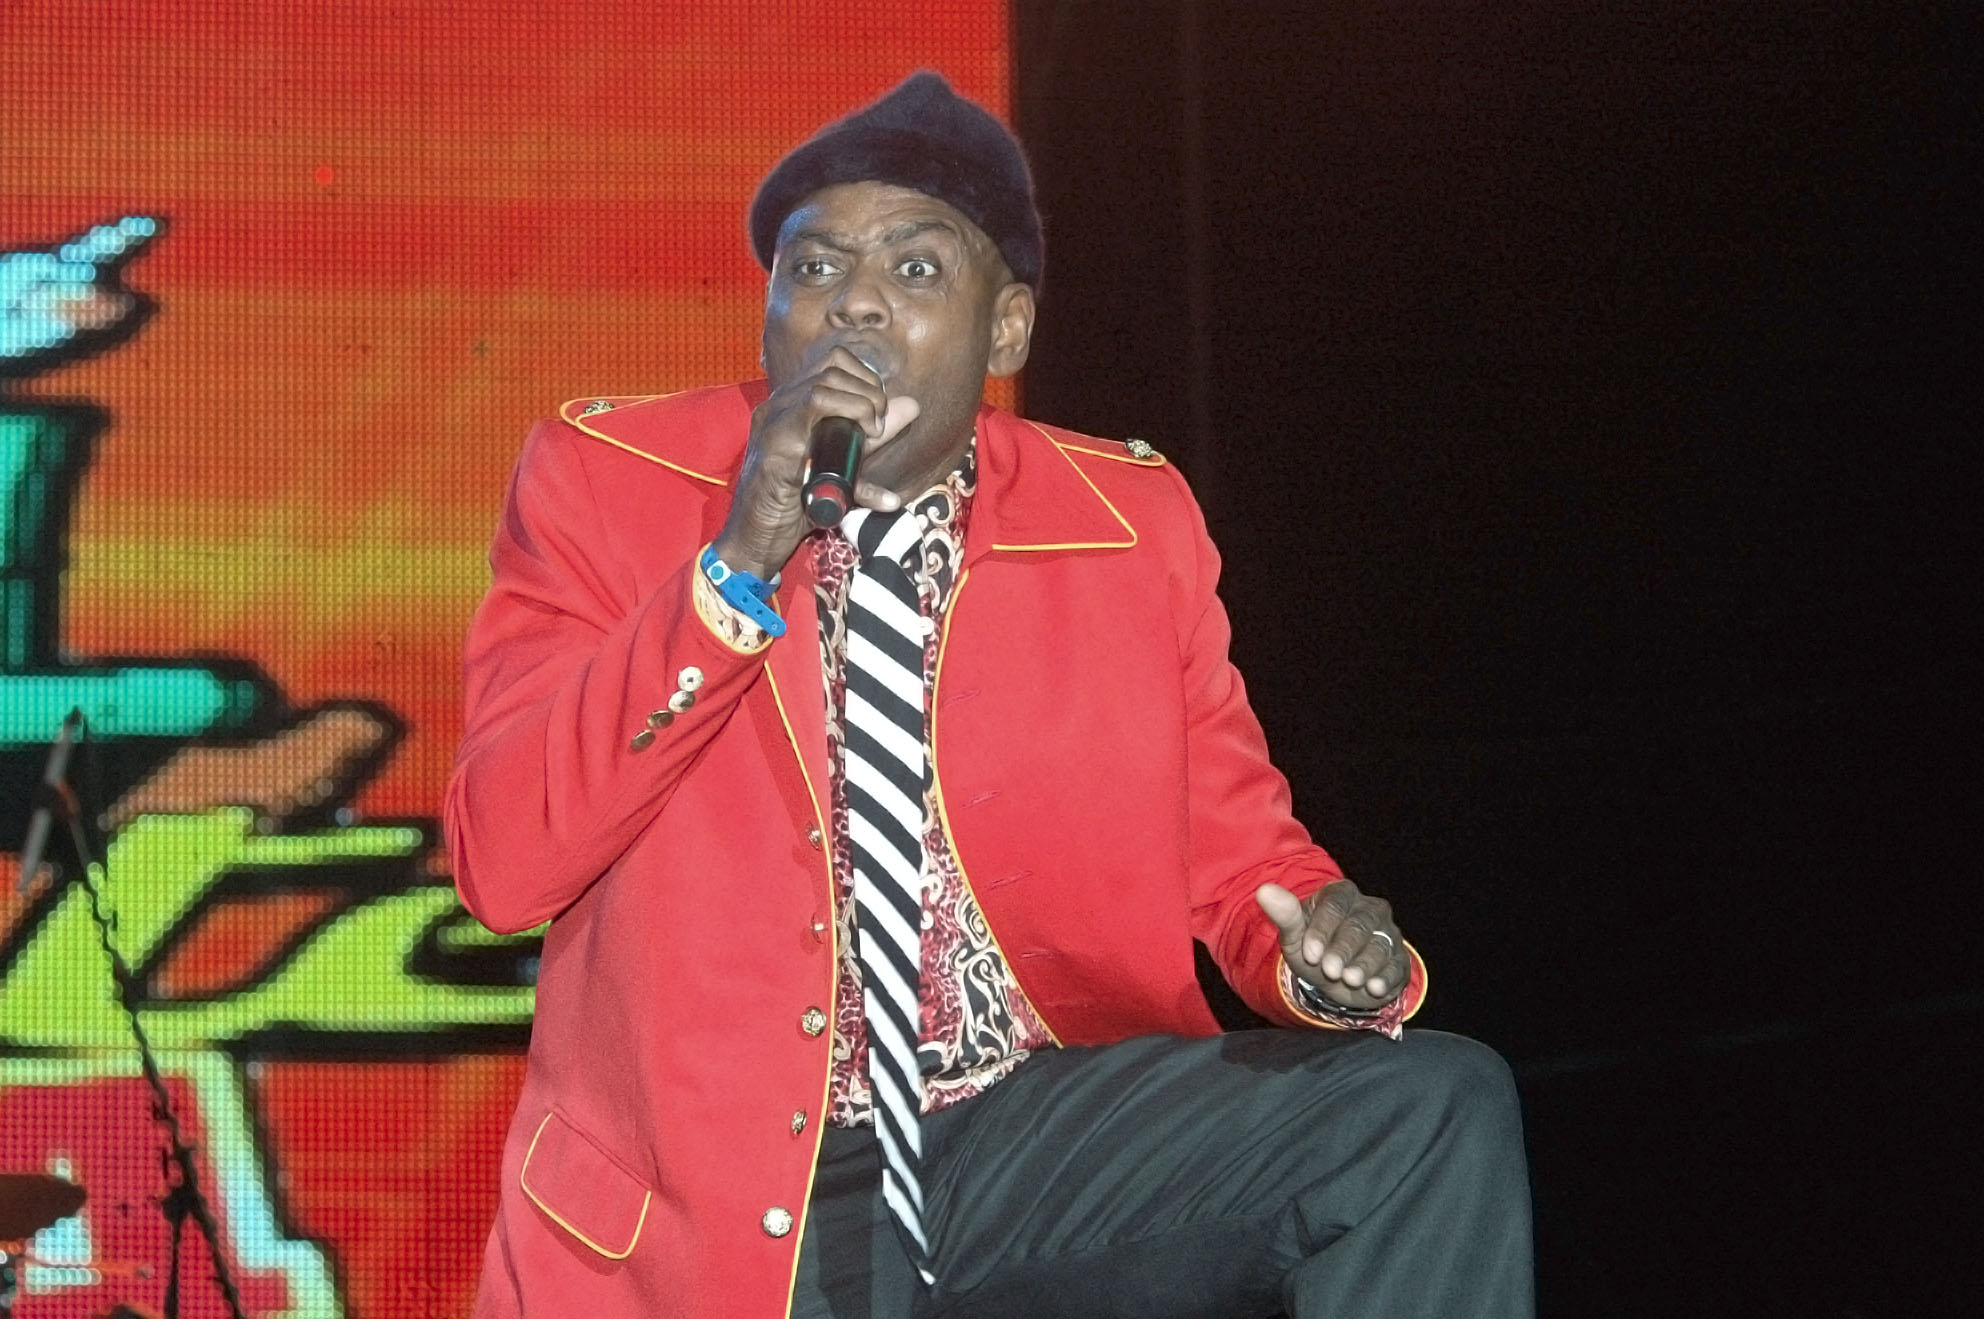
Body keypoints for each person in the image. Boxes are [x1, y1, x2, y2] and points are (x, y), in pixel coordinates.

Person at [446, 72, 1532, 1319]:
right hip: (720, 1184)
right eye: (814, 268)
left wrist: (1320, 950)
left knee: (1423, 1106)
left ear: (1006, 329)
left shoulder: (1125, 522)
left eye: (914, 269)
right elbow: (504, 864)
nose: (855, 300)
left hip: (1027, 1139)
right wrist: (736, 564)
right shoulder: (609, 482)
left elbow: (1243, 861)